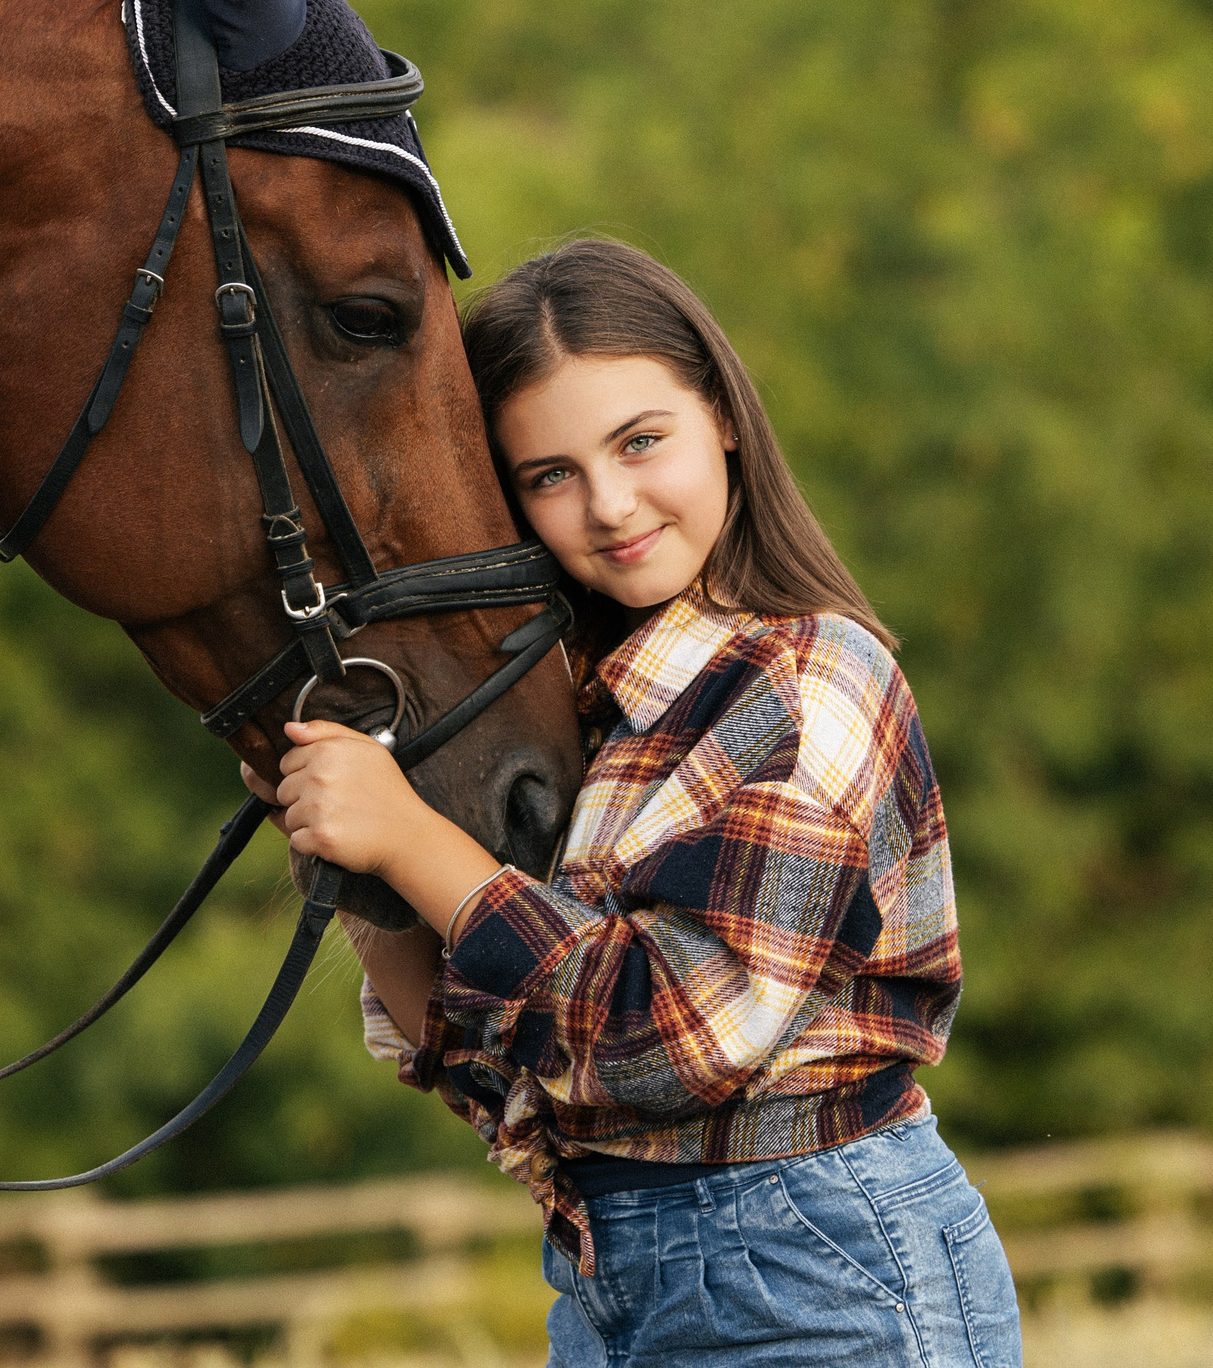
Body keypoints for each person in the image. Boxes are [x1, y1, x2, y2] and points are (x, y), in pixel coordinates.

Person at [240, 237, 1022, 1367]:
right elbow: (505, 1074)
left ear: (724, 423)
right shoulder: (586, 724)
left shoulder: (808, 680)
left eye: (639, 440)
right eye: (548, 474)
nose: (608, 503)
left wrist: (414, 839)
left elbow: (670, 1036)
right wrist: (350, 853)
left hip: (814, 1264)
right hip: (614, 1276)